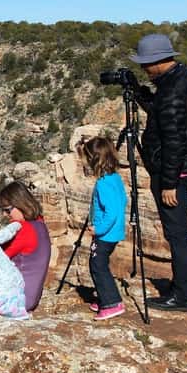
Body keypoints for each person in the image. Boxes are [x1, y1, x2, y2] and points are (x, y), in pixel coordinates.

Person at [130, 33, 187, 312]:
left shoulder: (173, 89)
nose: (144, 70)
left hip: (175, 172)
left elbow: (175, 140)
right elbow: (162, 114)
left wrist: (169, 183)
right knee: (177, 233)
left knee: (176, 234)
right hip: (184, 167)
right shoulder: (178, 79)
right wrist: (139, 92)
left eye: (145, 65)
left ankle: (182, 296)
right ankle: (182, 288)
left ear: (157, 61)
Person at [77, 136, 127, 320]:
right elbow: (122, 201)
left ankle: (112, 303)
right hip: (114, 232)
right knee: (100, 264)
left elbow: (111, 212)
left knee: (97, 265)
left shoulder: (103, 184)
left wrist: (98, 229)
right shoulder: (115, 178)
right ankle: (106, 297)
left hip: (105, 234)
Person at [0, 181, 52, 312]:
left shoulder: (23, 229)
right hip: (29, 297)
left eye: (7, 210)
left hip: (16, 299)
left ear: (21, 204)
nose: (4, 215)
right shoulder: (40, 223)